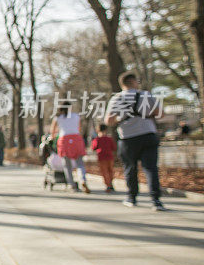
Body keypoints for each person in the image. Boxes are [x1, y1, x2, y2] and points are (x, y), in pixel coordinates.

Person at [105, 71, 166, 210]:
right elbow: (161, 113)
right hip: (148, 135)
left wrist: (121, 118)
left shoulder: (117, 98)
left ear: (122, 84)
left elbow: (109, 120)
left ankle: (132, 198)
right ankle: (156, 200)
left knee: (130, 169)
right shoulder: (145, 95)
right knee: (151, 168)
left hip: (128, 138)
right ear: (133, 82)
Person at [50, 100, 90, 193]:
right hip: (76, 139)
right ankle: (82, 180)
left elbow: (53, 131)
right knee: (80, 163)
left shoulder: (58, 118)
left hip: (64, 140)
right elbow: (78, 129)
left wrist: (53, 138)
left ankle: (71, 185)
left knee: (67, 165)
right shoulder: (76, 116)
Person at [91, 124, 116, 193]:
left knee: (104, 171)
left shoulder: (97, 139)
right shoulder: (109, 138)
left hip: (101, 157)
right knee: (110, 170)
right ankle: (111, 184)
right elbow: (114, 148)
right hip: (110, 156)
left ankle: (108, 185)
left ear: (97, 130)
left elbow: (93, 147)